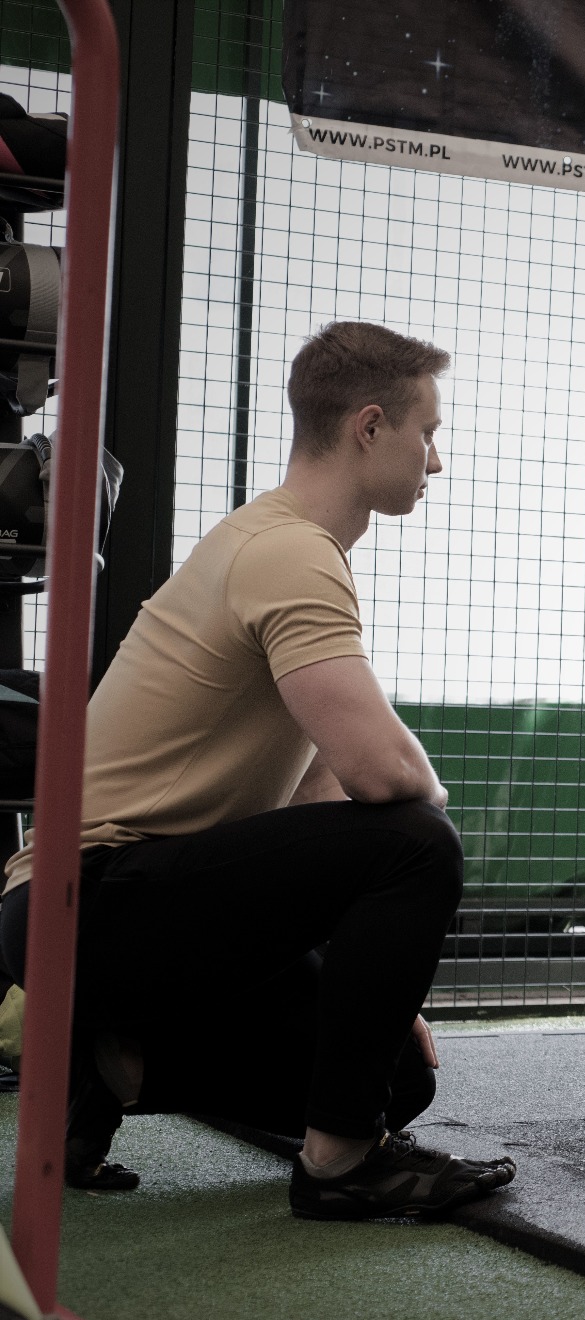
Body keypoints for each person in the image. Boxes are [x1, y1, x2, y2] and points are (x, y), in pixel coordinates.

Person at [0, 321, 514, 1217]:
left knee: (395, 1076)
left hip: (137, 907)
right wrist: (419, 827)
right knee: (420, 840)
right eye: (427, 433)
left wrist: (377, 980)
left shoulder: (277, 545)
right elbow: (387, 776)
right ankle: (339, 1169)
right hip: (84, 903)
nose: (435, 462)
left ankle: (119, 1063)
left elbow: (322, 794)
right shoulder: (289, 552)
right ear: (368, 426)